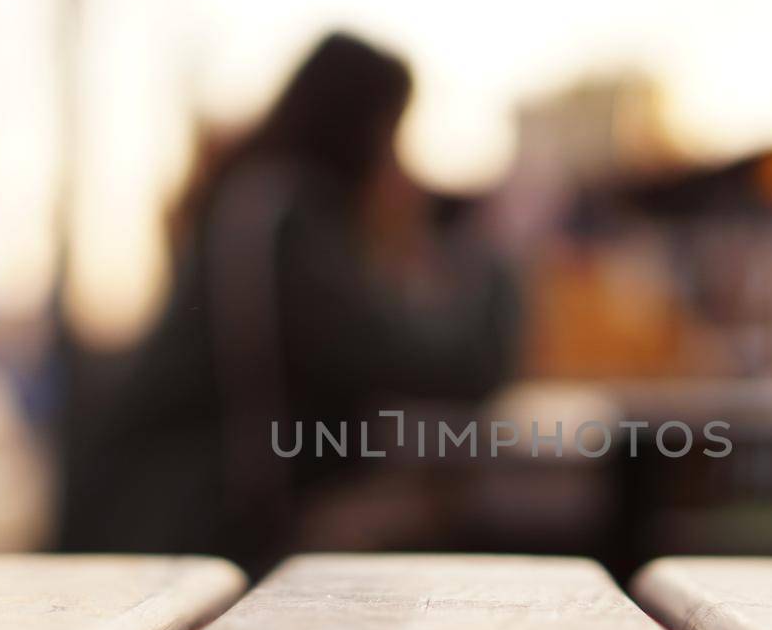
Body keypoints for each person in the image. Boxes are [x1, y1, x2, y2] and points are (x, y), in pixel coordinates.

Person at [58, 33, 518, 572]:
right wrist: (496, 252)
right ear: (356, 132)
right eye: (393, 136)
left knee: (449, 513)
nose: (401, 166)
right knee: (463, 528)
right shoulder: (282, 223)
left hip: (185, 532)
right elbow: (451, 369)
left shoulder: (272, 209)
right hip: (168, 546)